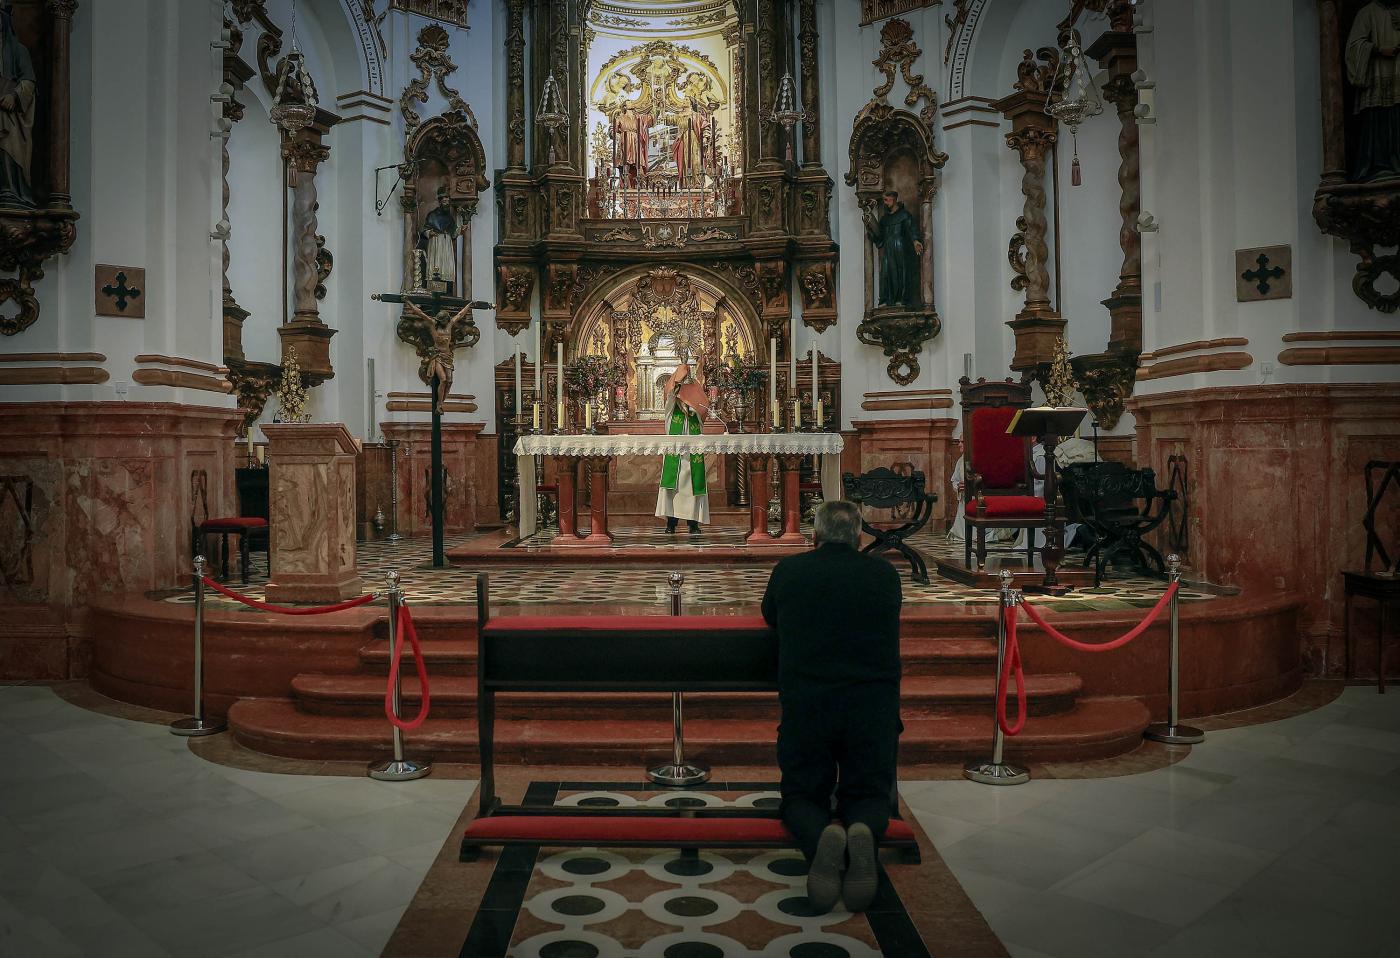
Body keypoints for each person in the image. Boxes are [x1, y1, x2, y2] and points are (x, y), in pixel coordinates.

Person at [760, 500, 903, 914]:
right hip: (872, 705)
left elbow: (770, 614)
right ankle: (861, 827)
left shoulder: (790, 570)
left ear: (814, 536)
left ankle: (819, 834)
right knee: (869, 791)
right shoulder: (883, 573)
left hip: (809, 702)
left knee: (802, 794)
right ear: (859, 537)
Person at [1346, 0, 1400, 181]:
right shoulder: (1367, 13)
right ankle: (1380, 166)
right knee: (1379, 121)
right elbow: (1354, 46)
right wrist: (1377, 50)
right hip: (1376, 76)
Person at [655, 362, 710, 534]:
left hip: (692, 455)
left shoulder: (695, 417)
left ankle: (693, 524)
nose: (686, 403)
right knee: (674, 490)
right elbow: (670, 392)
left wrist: (694, 400)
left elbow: (703, 408)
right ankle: (671, 523)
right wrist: (680, 374)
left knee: (693, 487)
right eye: (684, 399)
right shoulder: (672, 410)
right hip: (676, 455)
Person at [0, 1, 37, 209]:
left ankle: (10, 189)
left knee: (8, 146)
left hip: (10, 113)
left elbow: (29, 81)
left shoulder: (18, 50)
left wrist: (14, 96)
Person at [865, 189, 924, 308]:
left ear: (894, 199)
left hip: (900, 248)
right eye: (884, 200)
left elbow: (911, 229)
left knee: (900, 272)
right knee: (886, 273)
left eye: (887, 200)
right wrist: (871, 230)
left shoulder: (904, 215)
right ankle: (886, 299)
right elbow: (880, 236)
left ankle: (901, 299)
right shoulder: (884, 219)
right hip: (888, 249)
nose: (885, 203)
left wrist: (916, 241)